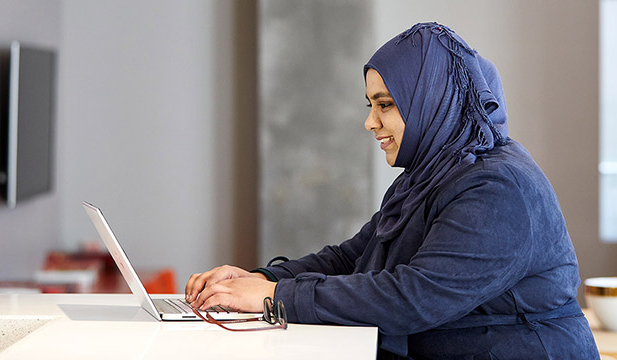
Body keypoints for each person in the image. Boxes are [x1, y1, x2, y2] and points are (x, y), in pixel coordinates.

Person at [185, 22, 600, 359]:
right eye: (371, 105)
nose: (370, 121)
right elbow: (353, 257)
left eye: (384, 105)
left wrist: (274, 296)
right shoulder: (432, 173)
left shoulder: (498, 188)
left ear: (433, 100)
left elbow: (412, 297)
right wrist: (257, 279)